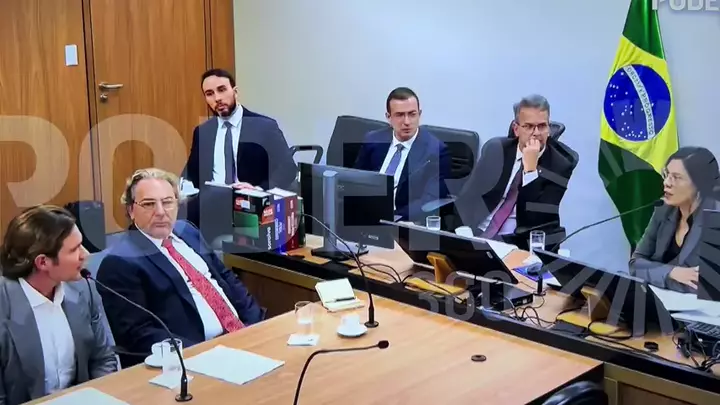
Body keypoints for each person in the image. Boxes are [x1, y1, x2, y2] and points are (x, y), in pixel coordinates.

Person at [96, 168, 265, 368]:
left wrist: (257, 327)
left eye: (167, 202)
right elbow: (139, 334)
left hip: (242, 338)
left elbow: (227, 279)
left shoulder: (187, 231)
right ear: (131, 210)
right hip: (196, 359)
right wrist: (205, 355)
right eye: (149, 204)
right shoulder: (120, 262)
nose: (160, 212)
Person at [0, 205, 117, 405]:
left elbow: (104, 358)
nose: (85, 254)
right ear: (43, 262)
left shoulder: (84, 287)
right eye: (74, 249)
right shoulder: (4, 304)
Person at [448, 94, 578, 250]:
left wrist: (530, 171)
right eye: (528, 126)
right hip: (479, 232)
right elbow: (467, 198)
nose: (536, 133)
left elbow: (535, 221)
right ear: (516, 129)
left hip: (518, 242)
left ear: (549, 129)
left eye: (542, 126)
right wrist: (465, 234)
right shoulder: (496, 150)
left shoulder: (560, 164)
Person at [183, 68, 297, 191]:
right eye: (209, 93)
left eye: (222, 90)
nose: (217, 98)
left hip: (250, 198)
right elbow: (191, 173)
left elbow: (288, 169)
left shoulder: (264, 126)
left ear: (235, 92)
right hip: (212, 198)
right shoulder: (202, 132)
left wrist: (258, 189)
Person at [630, 147, 720, 293]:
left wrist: (653, 273)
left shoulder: (716, 219)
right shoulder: (663, 211)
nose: (666, 182)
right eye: (666, 175)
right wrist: (670, 272)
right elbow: (635, 264)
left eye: (676, 177)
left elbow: (704, 286)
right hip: (659, 300)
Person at [353, 87, 450, 222]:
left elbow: (430, 199)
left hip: (402, 219)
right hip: (365, 213)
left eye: (412, 114)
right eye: (399, 115)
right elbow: (357, 180)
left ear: (419, 114)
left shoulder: (436, 151)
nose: (407, 122)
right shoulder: (373, 140)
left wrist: (393, 217)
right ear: (389, 117)